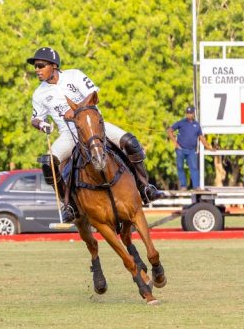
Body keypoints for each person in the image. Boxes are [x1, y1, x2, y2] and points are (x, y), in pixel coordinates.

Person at [27, 46, 165, 223]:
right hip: (69, 134)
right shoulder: (39, 93)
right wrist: (41, 124)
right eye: (35, 66)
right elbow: (35, 118)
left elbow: (94, 95)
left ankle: (145, 187)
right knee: (48, 163)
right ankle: (69, 205)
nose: (36, 70)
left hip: (95, 128)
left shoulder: (74, 75)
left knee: (131, 142)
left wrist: (75, 110)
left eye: (40, 65)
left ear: (53, 65)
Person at [166, 105, 212, 189]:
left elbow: (201, 137)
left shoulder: (196, 125)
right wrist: (175, 143)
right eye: (187, 113)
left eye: (190, 113)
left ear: (193, 113)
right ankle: (183, 186)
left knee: (194, 168)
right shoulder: (181, 122)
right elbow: (169, 130)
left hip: (191, 150)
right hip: (180, 149)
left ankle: (196, 186)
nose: (189, 115)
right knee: (180, 167)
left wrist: (209, 147)